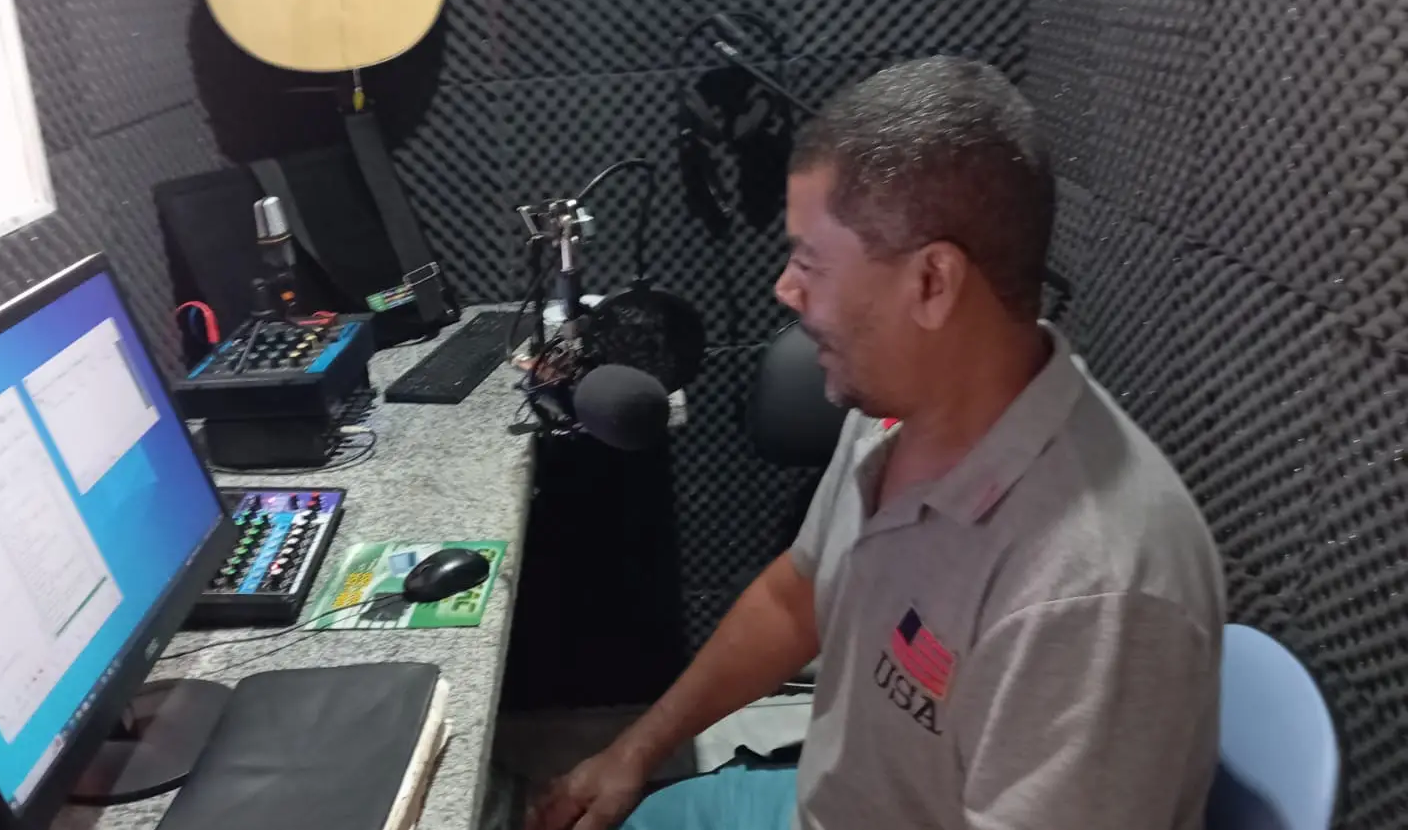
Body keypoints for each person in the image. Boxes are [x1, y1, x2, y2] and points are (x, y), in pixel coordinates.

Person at [525, 55, 1227, 830]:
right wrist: (635, 749)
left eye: (810, 262)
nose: (785, 290)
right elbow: (797, 595)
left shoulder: (1092, 595)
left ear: (931, 284)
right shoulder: (900, 402)